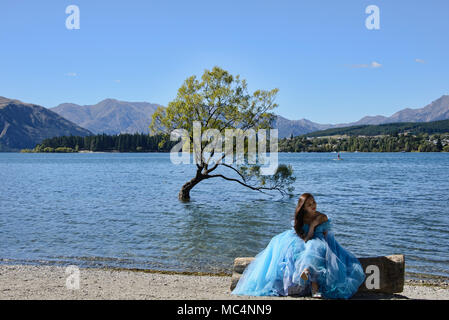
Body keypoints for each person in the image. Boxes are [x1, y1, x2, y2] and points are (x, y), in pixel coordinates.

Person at [231, 193, 365, 299]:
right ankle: (310, 284)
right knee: (296, 248)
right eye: (309, 204)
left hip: (320, 239)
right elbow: (303, 237)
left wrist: (313, 226)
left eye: (314, 202)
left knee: (316, 248)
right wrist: (309, 232)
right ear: (303, 208)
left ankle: (307, 274)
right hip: (302, 238)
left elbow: (325, 236)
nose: (313, 206)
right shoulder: (300, 219)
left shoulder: (322, 217)